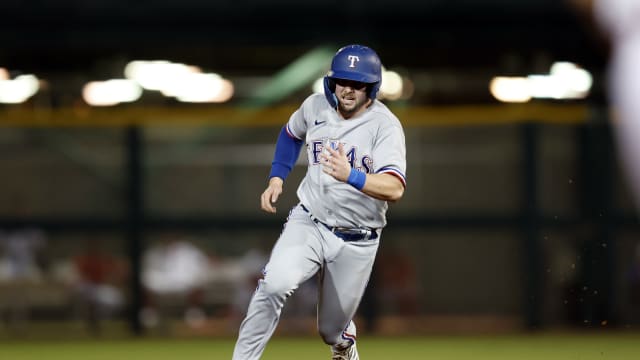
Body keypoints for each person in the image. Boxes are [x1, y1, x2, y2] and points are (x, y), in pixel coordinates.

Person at [232, 44, 407, 360]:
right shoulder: (315, 107)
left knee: (330, 330)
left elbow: (394, 188)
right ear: (332, 81)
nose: (348, 90)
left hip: (358, 239)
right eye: (342, 81)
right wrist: (277, 177)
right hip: (310, 220)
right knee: (273, 285)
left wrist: (352, 175)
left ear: (372, 87)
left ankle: (343, 343)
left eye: (357, 84)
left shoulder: (386, 126)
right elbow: (290, 134)